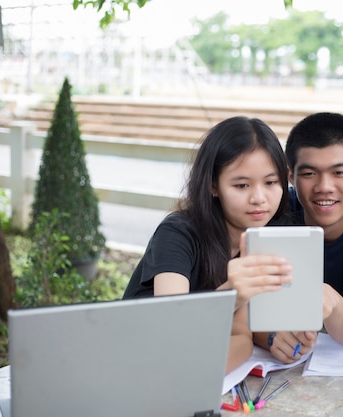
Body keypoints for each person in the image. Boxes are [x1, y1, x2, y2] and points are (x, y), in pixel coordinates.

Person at [123, 116, 294, 373]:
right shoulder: (178, 233)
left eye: (271, 182)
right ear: (214, 185)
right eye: (242, 185)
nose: (259, 198)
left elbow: (240, 337)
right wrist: (231, 293)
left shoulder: (263, 236)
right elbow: (171, 326)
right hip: (136, 356)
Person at [255, 112, 343, 363]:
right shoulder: (272, 212)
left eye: (339, 173)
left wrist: (327, 299)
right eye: (309, 173)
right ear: (290, 176)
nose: (324, 186)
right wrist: (269, 337)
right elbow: (249, 310)